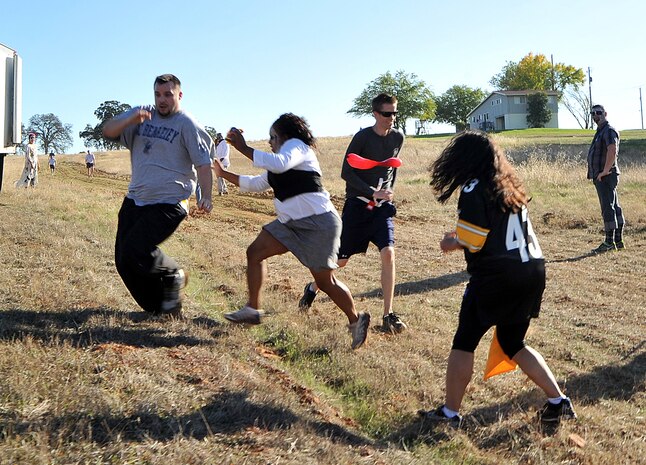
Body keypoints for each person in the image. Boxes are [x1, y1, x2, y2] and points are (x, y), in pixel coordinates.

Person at [422, 130, 576, 425]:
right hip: (532, 270)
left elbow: (474, 240)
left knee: (464, 341)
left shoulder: (473, 187)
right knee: (512, 341)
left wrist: (450, 242)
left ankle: (450, 413)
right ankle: (559, 400)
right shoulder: (510, 186)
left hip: (498, 275)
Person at [215, 113, 370, 349]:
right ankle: (252, 309)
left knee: (325, 282)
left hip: (319, 224)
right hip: (290, 224)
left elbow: (279, 163)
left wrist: (244, 148)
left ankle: (356, 321)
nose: (270, 142)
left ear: (286, 136)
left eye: (273, 137)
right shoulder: (278, 163)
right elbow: (256, 184)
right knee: (254, 252)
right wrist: (222, 173)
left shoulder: (298, 148)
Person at [102, 74, 213, 319]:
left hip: (170, 201)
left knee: (135, 249)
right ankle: (160, 309)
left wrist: (207, 195)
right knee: (123, 260)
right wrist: (131, 118)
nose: (162, 100)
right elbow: (108, 130)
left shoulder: (187, 124)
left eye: (168, 94)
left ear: (179, 95)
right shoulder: (140, 115)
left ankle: (173, 274)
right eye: (157, 94)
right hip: (135, 199)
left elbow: (204, 165)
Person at [299, 93, 406, 334]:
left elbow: (392, 167)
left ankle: (388, 315)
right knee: (341, 262)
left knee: (388, 254)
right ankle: (313, 288)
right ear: (376, 114)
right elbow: (346, 172)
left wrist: (389, 191)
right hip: (359, 206)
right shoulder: (362, 138)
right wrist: (371, 192)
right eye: (388, 114)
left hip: (381, 209)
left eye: (395, 113)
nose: (392, 118)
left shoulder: (398, 137)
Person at [587, 104, 625, 252]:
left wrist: (604, 171)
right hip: (603, 175)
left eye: (598, 112)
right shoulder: (600, 132)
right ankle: (618, 241)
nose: (596, 115)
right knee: (614, 206)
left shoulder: (608, 131)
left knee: (607, 208)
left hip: (606, 176)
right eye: (593, 113)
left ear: (605, 113)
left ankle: (609, 243)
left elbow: (612, 150)